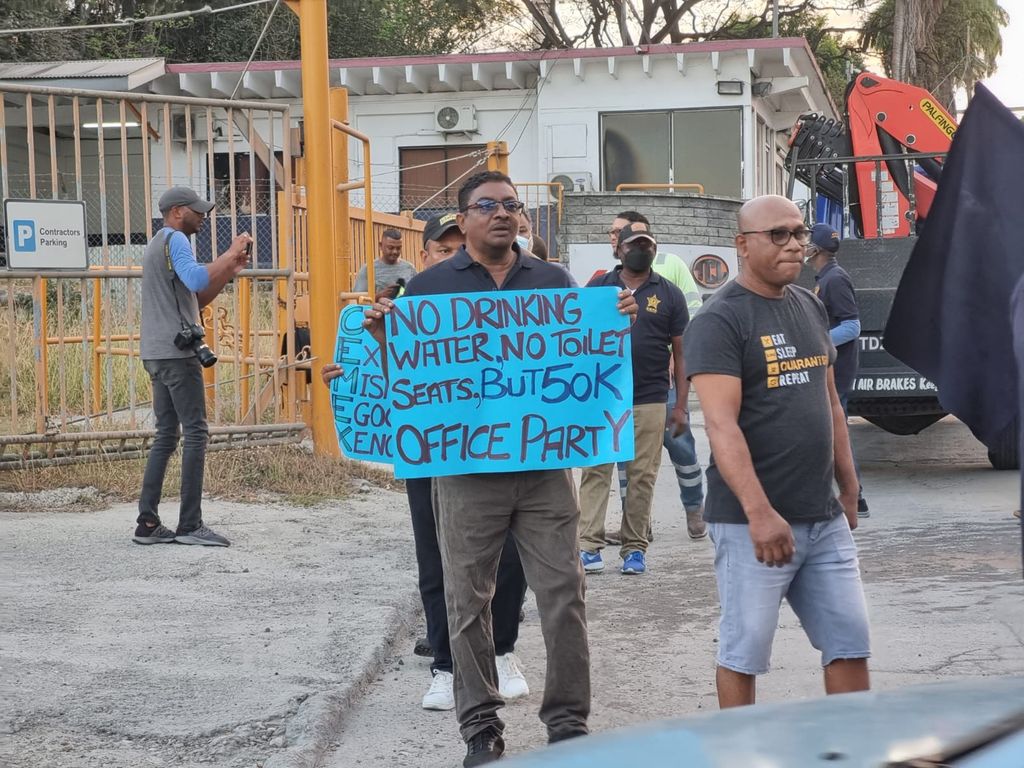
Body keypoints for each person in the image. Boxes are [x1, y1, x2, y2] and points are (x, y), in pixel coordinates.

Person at [362, 171, 637, 766]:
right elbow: (414, 382)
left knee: (564, 593)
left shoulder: (555, 280)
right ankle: (480, 727)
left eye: (512, 205)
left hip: (543, 468)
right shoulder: (430, 288)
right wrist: (387, 339)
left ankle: (567, 724)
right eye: (487, 205)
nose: (503, 214)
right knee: (468, 599)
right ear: (463, 220)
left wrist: (615, 321)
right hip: (464, 471)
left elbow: (588, 355)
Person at [322, 211, 530, 713]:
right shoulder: (406, 306)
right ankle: (446, 663)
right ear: (427, 256)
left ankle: (501, 651)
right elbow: (381, 369)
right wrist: (348, 379)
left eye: (461, 248)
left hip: (503, 446)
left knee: (510, 554)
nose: (455, 256)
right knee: (436, 556)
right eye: (443, 249)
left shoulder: (517, 298)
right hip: (432, 449)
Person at [684, 194, 870, 708]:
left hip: (822, 515)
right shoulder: (720, 321)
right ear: (742, 245)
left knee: (850, 646)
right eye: (778, 235)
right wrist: (760, 513)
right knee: (744, 654)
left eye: (799, 233)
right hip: (751, 524)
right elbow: (721, 426)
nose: (794, 244)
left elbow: (830, 402)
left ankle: (853, 752)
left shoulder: (809, 304)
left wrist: (849, 486)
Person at [134, 186, 251, 547]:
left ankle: (148, 522)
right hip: (177, 354)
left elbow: (195, 297)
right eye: (197, 211)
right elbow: (198, 279)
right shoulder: (176, 240)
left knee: (167, 435)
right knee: (196, 432)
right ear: (176, 212)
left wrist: (228, 268)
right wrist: (228, 252)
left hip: (156, 352)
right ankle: (190, 525)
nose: (203, 216)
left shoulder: (158, 244)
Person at [578, 225, 689, 575]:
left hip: (650, 395)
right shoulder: (597, 288)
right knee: (596, 470)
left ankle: (634, 549)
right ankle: (589, 546)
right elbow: (575, 338)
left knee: (642, 475)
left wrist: (682, 403)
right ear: (619, 250)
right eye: (634, 244)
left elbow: (683, 353)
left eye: (648, 245)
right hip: (601, 396)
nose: (641, 250)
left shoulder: (669, 294)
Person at [608, 211, 707, 541]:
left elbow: (686, 330)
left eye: (618, 232)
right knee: (627, 461)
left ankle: (695, 509)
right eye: (613, 234)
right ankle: (637, 524)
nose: (614, 238)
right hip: (618, 390)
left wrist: (681, 397)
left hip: (659, 387)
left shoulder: (671, 270)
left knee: (681, 447)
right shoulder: (602, 283)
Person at [805, 223, 869, 517]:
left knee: (834, 433)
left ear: (817, 249)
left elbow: (852, 326)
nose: (803, 246)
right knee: (829, 432)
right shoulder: (825, 277)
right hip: (827, 369)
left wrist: (818, 343)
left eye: (807, 241)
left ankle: (856, 498)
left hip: (837, 370)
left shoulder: (835, 279)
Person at [353, 228, 417, 295]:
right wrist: (379, 296)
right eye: (390, 248)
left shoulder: (410, 268)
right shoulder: (368, 269)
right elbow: (358, 298)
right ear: (380, 246)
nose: (395, 251)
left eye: (398, 248)